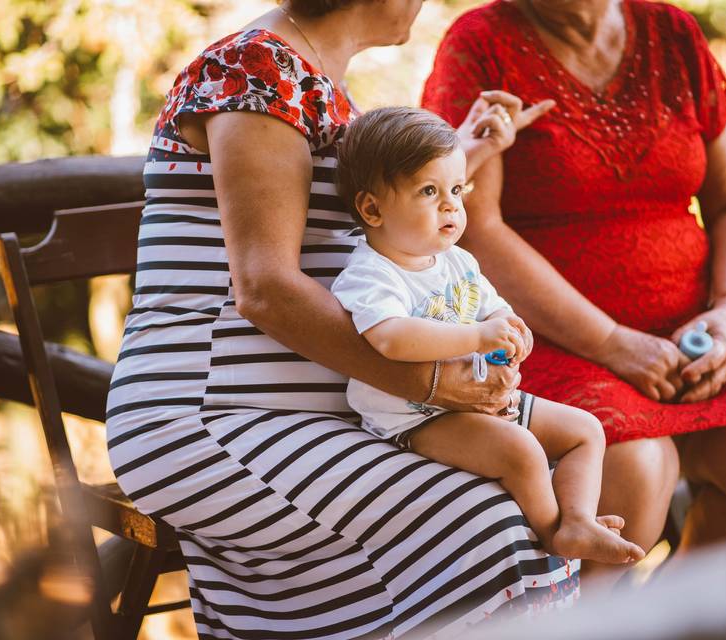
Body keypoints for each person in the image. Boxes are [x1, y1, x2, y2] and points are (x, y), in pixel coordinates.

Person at [105, 1, 573, 638]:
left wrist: (464, 152)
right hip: (209, 418)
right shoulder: (256, 71)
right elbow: (265, 288)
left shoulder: (313, 80)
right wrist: (428, 382)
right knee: (488, 525)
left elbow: (371, 228)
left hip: (319, 415)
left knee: (531, 485)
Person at [421, 0, 726, 570]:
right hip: (549, 337)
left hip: (696, 328)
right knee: (632, 467)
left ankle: (687, 622)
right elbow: (480, 231)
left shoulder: (671, 32)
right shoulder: (481, 42)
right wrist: (613, 342)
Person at [330, 106, 646, 564]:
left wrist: (510, 327)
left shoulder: (456, 260)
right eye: (429, 191)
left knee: (585, 429)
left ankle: (578, 520)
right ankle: (553, 533)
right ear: (372, 208)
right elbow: (392, 339)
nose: (450, 206)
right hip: (416, 419)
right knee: (521, 451)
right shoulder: (372, 274)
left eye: (456, 190)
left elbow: (490, 305)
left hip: (480, 399)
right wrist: (479, 337)